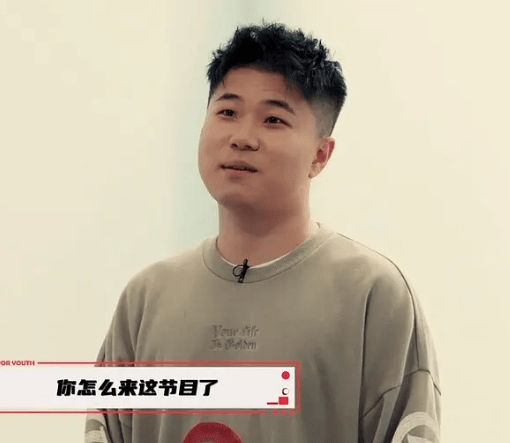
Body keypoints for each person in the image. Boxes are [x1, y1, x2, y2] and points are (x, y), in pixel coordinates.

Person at [84, 22, 441, 443]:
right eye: (227, 112)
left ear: (320, 154)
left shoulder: (373, 295)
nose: (242, 137)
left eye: (273, 119)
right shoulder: (146, 298)